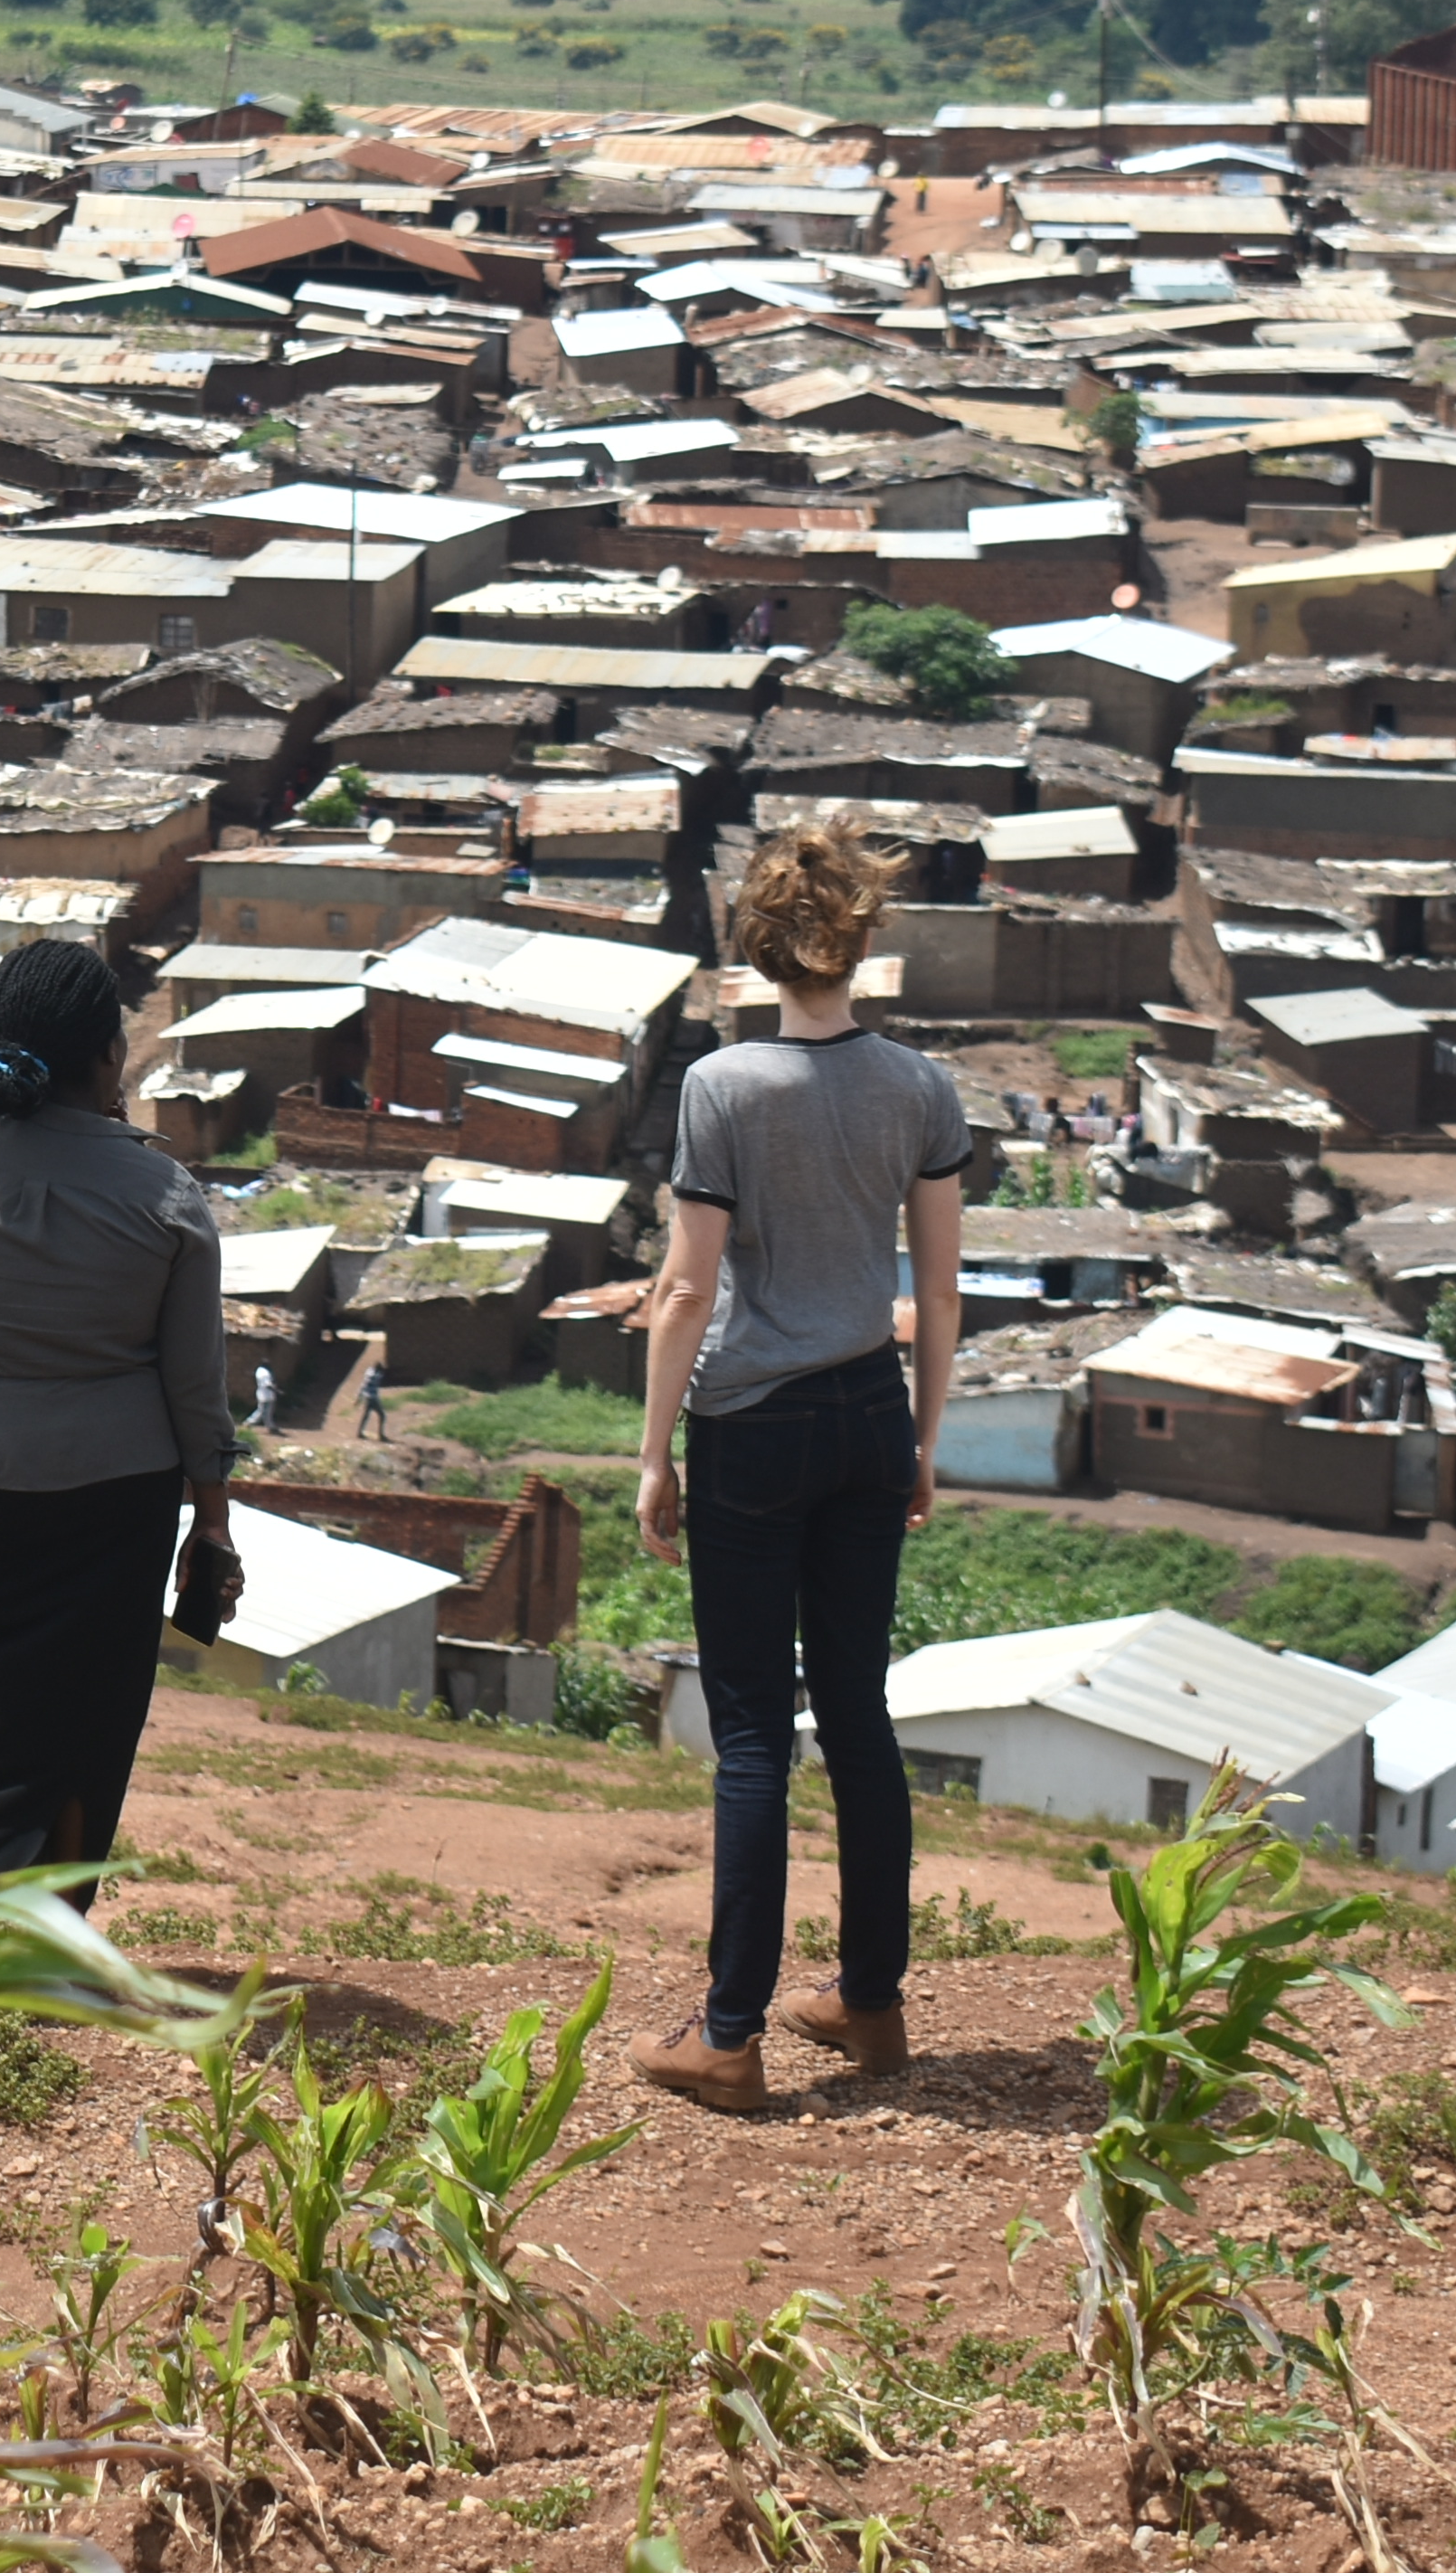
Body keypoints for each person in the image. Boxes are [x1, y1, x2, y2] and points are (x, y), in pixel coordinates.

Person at [629, 824, 969, 2114]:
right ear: (862, 938)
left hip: (755, 1429)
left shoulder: (726, 1087)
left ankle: (729, 2035)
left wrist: (653, 1452)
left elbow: (684, 1288)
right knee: (861, 1715)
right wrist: (923, 1439)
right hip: (870, 1418)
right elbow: (935, 1288)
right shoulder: (919, 1090)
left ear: (757, 944)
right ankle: (869, 2007)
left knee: (755, 1734)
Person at [0, 940, 234, 1910]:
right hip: (111, 1504)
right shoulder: (166, 1201)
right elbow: (194, 1387)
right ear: (108, 1058)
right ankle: (41, 1938)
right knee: (84, 1718)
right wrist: (213, 1520)